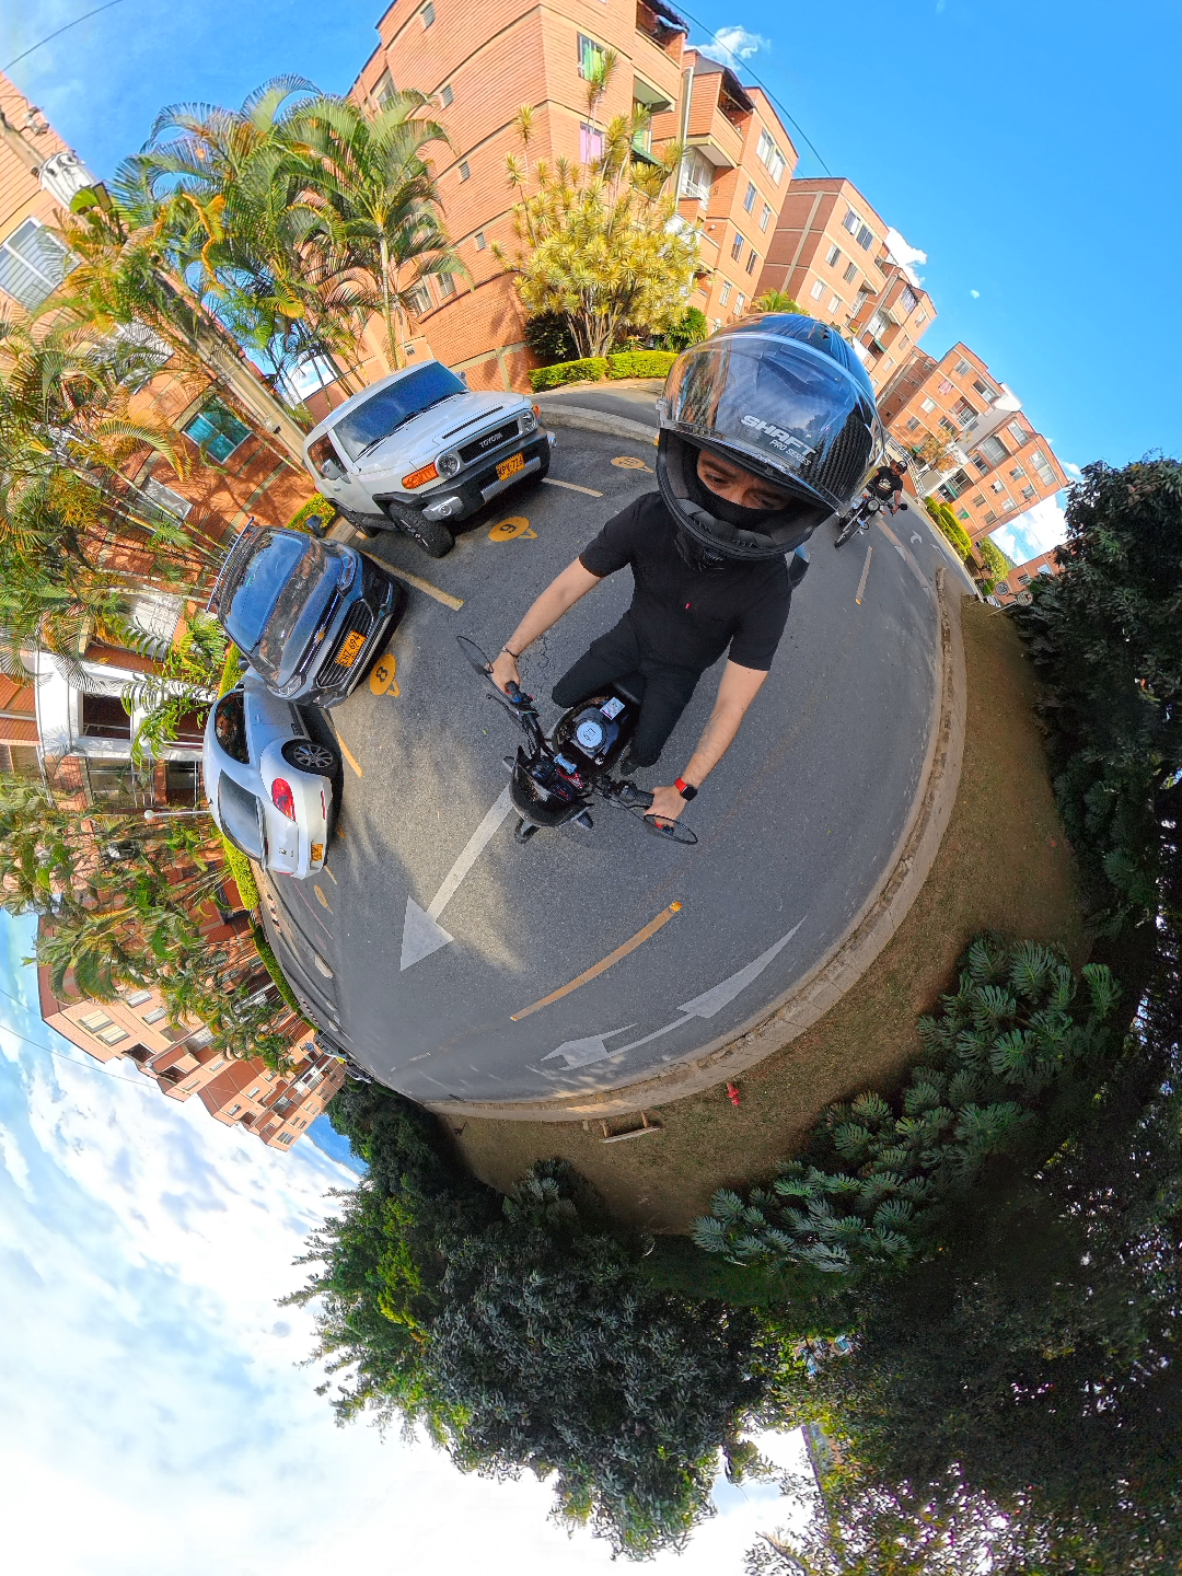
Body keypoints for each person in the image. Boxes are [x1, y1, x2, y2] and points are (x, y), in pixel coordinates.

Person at [491, 314, 884, 823]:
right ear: (688, 454)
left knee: (645, 753)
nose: (732, 507)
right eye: (717, 478)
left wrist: (684, 788)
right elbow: (569, 586)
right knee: (561, 695)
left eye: (764, 499)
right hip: (630, 637)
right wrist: (510, 652)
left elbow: (731, 704)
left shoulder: (769, 587)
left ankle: (634, 753)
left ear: (794, 509)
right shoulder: (648, 517)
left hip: (679, 672)